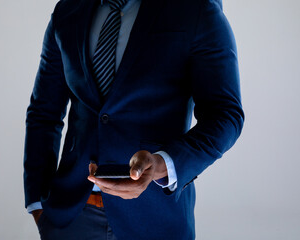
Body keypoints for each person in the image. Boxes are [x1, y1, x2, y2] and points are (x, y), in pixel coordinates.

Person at [23, 0, 244, 239]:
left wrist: (162, 165)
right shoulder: (68, 10)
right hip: (70, 218)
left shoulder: (196, 9)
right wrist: (37, 202)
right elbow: (43, 112)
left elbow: (225, 114)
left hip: (155, 218)